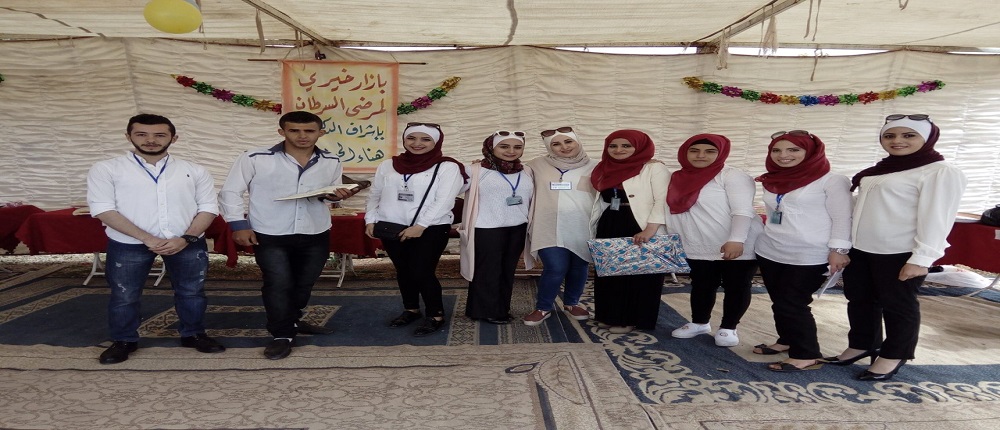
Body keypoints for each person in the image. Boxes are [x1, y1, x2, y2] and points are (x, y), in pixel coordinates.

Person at [827, 114, 966, 381]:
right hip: (862, 248)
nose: (897, 141)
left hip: (900, 251)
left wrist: (922, 258)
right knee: (859, 299)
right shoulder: (883, 169)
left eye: (908, 135)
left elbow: (938, 218)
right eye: (889, 135)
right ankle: (862, 344)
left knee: (897, 304)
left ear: (927, 138)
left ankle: (894, 354)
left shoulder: (939, 171)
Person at [219, 111, 359, 360]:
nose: (302, 136)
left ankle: (292, 320)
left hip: (314, 230)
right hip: (270, 231)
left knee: (305, 283)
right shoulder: (255, 157)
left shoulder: (331, 160)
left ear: (320, 132)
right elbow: (230, 191)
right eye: (294, 130)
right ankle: (282, 334)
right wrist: (238, 225)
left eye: (309, 131)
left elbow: (327, 194)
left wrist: (335, 196)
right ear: (281, 132)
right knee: (279, 282)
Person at [87, 113, 225, 364]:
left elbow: (208, 208)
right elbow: (103, 209)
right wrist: (147, 238)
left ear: (174, 138)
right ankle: (124, 340)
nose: (151, 140)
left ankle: (194, 334)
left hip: (186, 243)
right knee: (125, 295)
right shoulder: (107, 169)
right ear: (128, 136)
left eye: (160, 135)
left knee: (192, 292)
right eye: (142, 134)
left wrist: (185, 238)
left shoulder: (194, 170)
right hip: (130, 243)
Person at [752, 130, 852, 372]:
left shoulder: (832, 180)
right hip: (771, 249)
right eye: (776, 150)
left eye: (793, 149)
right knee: (780, 301)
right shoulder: (773, 178)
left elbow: (843, 217)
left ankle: (806, 354)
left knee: (793, 302)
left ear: (811, 152)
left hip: (809, 253)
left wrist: (839, 249)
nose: (783, 155)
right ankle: (786, 340)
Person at [364, 122, 467, 337]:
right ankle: (411, 309)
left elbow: (444, 201)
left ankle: (435, 314)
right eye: (411, 138)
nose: (417, 143)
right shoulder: (388, 165)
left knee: (422, 271)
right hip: (392, 226)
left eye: (425, 139)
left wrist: (420, 226)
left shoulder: (447, 166)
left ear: (436, 142)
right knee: (403, 270)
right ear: (404, 139)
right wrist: (370, 219)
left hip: (431, 228)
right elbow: (375, 194)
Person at [665, 134, 763, 347]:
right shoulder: (677, 177)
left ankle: (729, 327)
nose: (700, 155)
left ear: (721, 153)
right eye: (694, 151)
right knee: (701, 284)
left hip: (735, 242)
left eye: (710, 151)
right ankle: (699, 322)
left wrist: (736, 239)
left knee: (736, 285)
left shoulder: (732, 175)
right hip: (698, 242)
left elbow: (742, 210)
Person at [590, 129, 669, 334]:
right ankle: (610, 315)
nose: (618, 150)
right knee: (609, 272)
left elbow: (662, 200)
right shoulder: (604, 167)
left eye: (626, 145)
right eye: (613, 146)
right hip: (611, 221)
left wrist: (650, 229)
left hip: (640, 225)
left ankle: (631, 319)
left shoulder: (654, 168)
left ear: (639, 147)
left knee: (637, 274)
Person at [522, 127, 599, 326]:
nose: (564, 147)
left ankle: (572, 303)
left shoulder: (596, 166)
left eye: (568, 141)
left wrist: (648, 164)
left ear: (577, 141)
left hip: (582, 226)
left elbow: (623, 173)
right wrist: (482, 165)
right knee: (556, 267)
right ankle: (543, 307)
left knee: (579, 266)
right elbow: (510, 172)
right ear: (549, 147)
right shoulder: (536, 165)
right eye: (556, 144)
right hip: (547, 225)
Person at [458, 131, 535, 324]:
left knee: (507, 270)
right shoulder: (475, 170)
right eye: (504, 146)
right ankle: (485, 311)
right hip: (486, 228)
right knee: (487, 271)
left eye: (517, 147)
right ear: (491, 147)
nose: (511, 151)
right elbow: (452, 189)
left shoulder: (526, 171)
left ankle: (501, 309)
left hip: (517, 228)